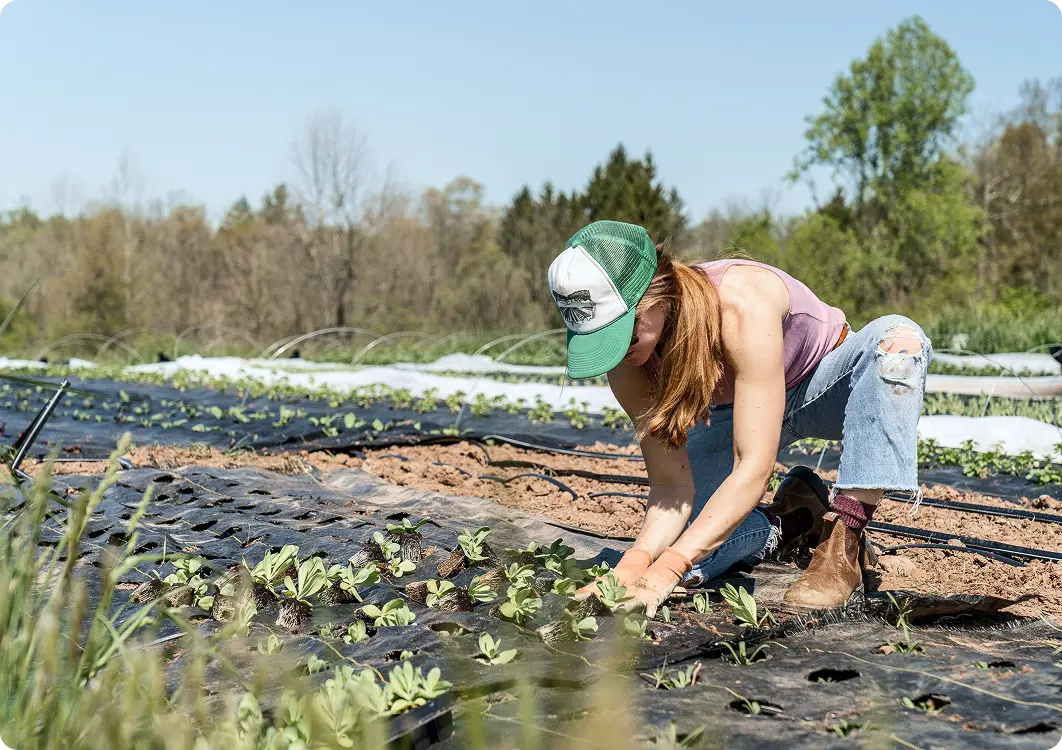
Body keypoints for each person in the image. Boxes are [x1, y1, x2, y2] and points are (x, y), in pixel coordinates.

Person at [548, 220, 931, 617]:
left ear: (656, 294)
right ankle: (791, 519)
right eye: (600, 341)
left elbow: (753, 467)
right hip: (739, 411)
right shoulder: (627, 362)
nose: (618, 351)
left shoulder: (738, 303)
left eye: (622, 333)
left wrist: (669, 567)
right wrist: (636, 563)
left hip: (824, 387)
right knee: (689, 544)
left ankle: (845, 539)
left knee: (899, 341)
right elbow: (671, 486)